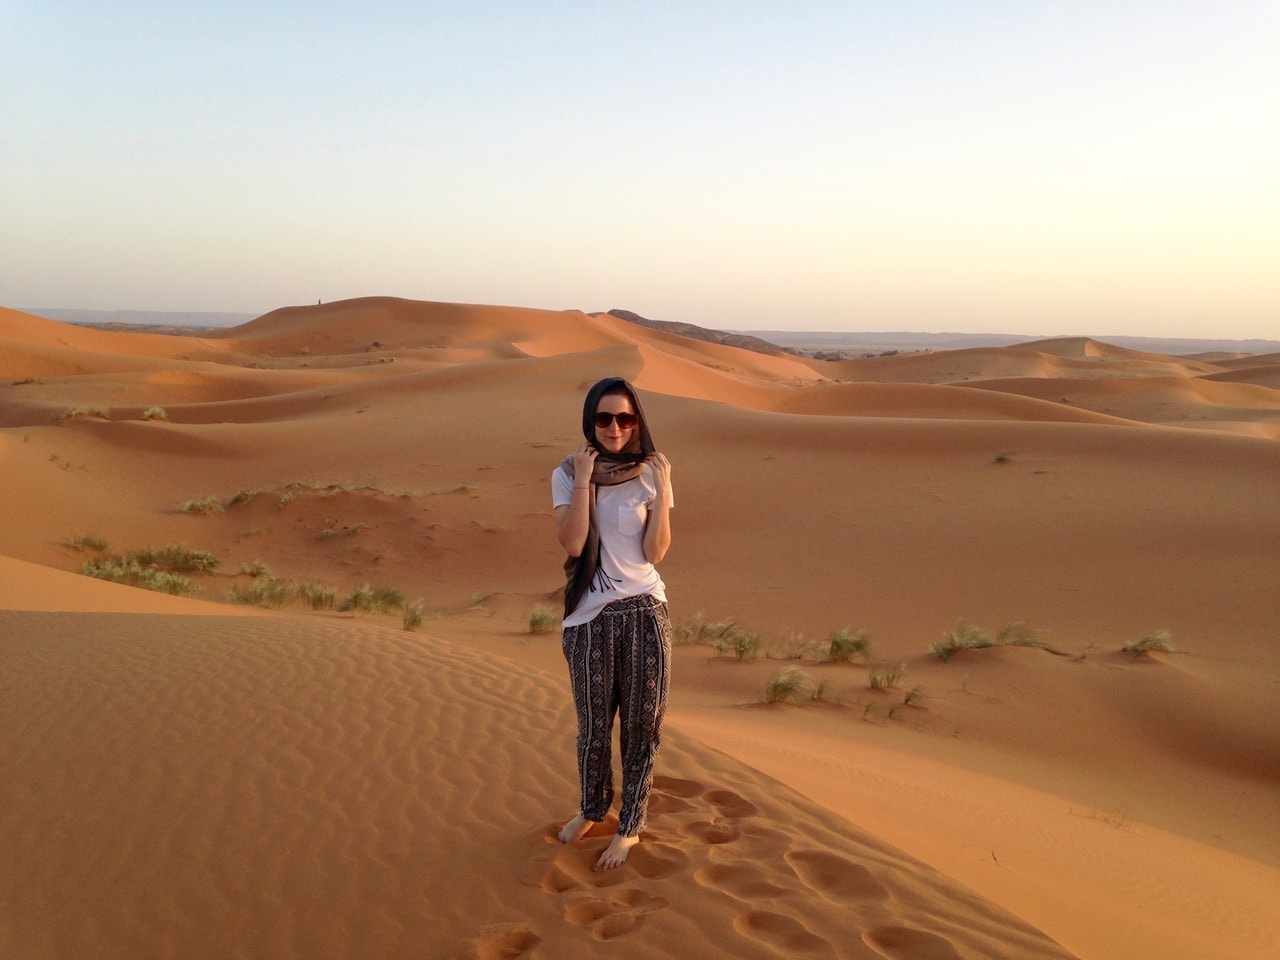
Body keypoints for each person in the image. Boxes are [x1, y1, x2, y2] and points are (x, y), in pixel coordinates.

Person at [551, 377, 674, 871]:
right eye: (604, 418)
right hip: (589, 619)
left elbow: (656, 551)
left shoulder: (653, 474)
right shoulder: (566, 472)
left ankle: (631, 827)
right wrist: (584, 480)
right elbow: (574, 544)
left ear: (636, 420)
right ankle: (592, 808)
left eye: (624, 418)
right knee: (593, 728)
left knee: (643, 727)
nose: (615, 428)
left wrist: (663, 491)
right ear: (590, 421)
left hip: (645, 610)